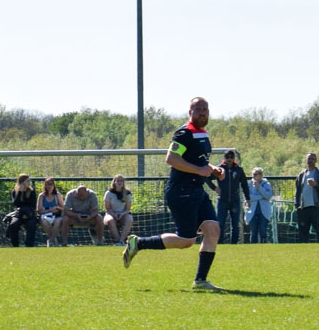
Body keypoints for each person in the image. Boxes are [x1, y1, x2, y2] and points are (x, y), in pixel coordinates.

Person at [122, 96, 224, 291]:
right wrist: (199, 170)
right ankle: (139, 243)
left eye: (205, 109)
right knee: (186, 241)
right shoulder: (184, 133)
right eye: (198, 109)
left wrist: (213, 169)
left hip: (197, 190)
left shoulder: (202, 133)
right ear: (190, 112)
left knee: (213, 230)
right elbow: (171, 158)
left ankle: (201, 281)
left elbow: (199, 161)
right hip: (181, 192)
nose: (203, 113)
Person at [295, 153, 319, 243]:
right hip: (303, 208)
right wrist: (297, 205)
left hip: (316, 207)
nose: (311, 160)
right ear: (306, 160)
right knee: (303, 233)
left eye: (313, 159)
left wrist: (316, 185)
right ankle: (304, 249)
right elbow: (297, 191)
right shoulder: (301, 175)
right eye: (309, 158)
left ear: (316, 160)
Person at [216, 150, 248, 244]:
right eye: (227, 157)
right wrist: (214, 187)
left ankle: (234, 244)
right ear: (224, 158)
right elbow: (207, 178)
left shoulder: (238, 170)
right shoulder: (219, 169)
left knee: (235, 225)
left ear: (234, 158)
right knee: (220, 224)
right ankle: (219, 243)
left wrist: (248, 198)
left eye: (231, 157)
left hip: (235, 201)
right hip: (222, 200)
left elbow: (244, 184)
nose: (229, 159)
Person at [245, 167, 274, 243]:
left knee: (263, 232)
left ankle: (263, 248)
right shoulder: (249, 185)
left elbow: (268, 196)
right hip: (252, 212)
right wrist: (261, 197)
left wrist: (259, 188)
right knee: (253, 232)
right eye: (253, 174)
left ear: (261, 175)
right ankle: (253, 248)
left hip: (264, 212)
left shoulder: (266, 184)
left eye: (255, 174)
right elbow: (248, 197)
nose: (253, 176)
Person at [103, 176, 134, 244]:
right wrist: (114, 215)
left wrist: (122, 214)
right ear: (114, 182)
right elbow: (107, 208)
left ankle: (121, 240)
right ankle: (118, 240)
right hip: (111, 213)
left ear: (123, 183)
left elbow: (128, 209)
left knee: (129, 219)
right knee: (110, 220)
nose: (119, 182)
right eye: (117, 181)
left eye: (121, 181)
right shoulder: (109, 193)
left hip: (123, 214)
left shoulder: (127, 193)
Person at [10, 173, 38, 247]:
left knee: (31, 224)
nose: (29, 182)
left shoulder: (31, 191)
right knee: (13, 224)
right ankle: (15, 245)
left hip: (29, 213)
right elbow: (16, 204)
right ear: (22, 182)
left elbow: (33, 205)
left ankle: (29, 245)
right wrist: (20, 192)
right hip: (19, 214)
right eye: (27, 181)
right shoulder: (14, 191)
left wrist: (27, 214)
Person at [38, 177, 65, 245]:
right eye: (47, 184)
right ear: (45, 186)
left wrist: (57, 208)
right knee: (44, 221)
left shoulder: (57, 195)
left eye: (50, 184)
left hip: (56, 215)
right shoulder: (41, 196)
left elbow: (63, 208)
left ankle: (51, 240)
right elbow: (39, 211)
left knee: (58, 221)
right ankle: (53, 240)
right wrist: (49, 210)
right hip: (45, 215)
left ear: (53, 185)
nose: (49, 186)